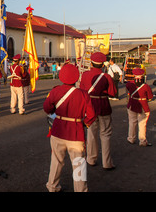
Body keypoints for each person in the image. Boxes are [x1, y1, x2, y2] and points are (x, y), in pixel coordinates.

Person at [43, 64, 96, 192]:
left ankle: (52, 186)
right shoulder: (83, 94)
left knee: (56, 161)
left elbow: (47, 108)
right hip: (76, 131)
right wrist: (85, 123)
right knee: (79, 163)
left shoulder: (55, 91)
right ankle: (80, 189)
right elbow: (91, 115)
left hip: (58, 130)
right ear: (76, 77)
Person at [79, 52, 117, 170]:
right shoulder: (106, 77)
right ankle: (107, 162)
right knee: (105, 134)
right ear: (102, 65)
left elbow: (81, 90)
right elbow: (113, 93)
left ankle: (91, 158)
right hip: (104, 105)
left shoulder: (85, 75)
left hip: (90, 106)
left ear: (91, 63)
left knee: (91, 133)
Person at [125, 68, 153, 146]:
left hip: (132, 104)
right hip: (143, 105)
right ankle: (142, 141)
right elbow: (150, 96)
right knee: (142, 123)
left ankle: (131, 138)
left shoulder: (129, 84)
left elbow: (128, 91)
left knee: (132, 122)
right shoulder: (146, 86)